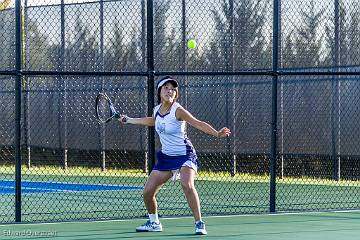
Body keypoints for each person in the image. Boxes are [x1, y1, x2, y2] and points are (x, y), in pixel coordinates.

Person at [119, 76, 231, 235]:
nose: (169, 91)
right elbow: (153, 121)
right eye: (166, 88)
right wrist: (129, 120)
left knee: (187, 184)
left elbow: (197, 123)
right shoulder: (157, 110)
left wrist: (216, 133)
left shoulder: (178, 110)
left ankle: (199, 223)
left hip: (185, 155)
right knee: (147, 193)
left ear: (175, 93)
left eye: (172, 89)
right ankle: (154, 222)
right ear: (159, 91)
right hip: (166, 157)